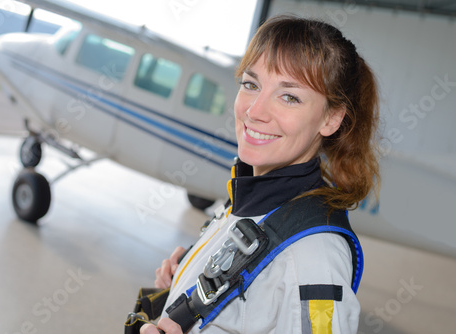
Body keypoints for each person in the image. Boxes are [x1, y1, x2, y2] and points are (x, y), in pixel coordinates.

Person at [141, 14, 380, 334]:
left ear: (331, 118)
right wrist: (190, 275)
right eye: (251, 84)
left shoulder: (313, 260)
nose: (254, 112)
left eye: (289, 96)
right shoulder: (252, 200)